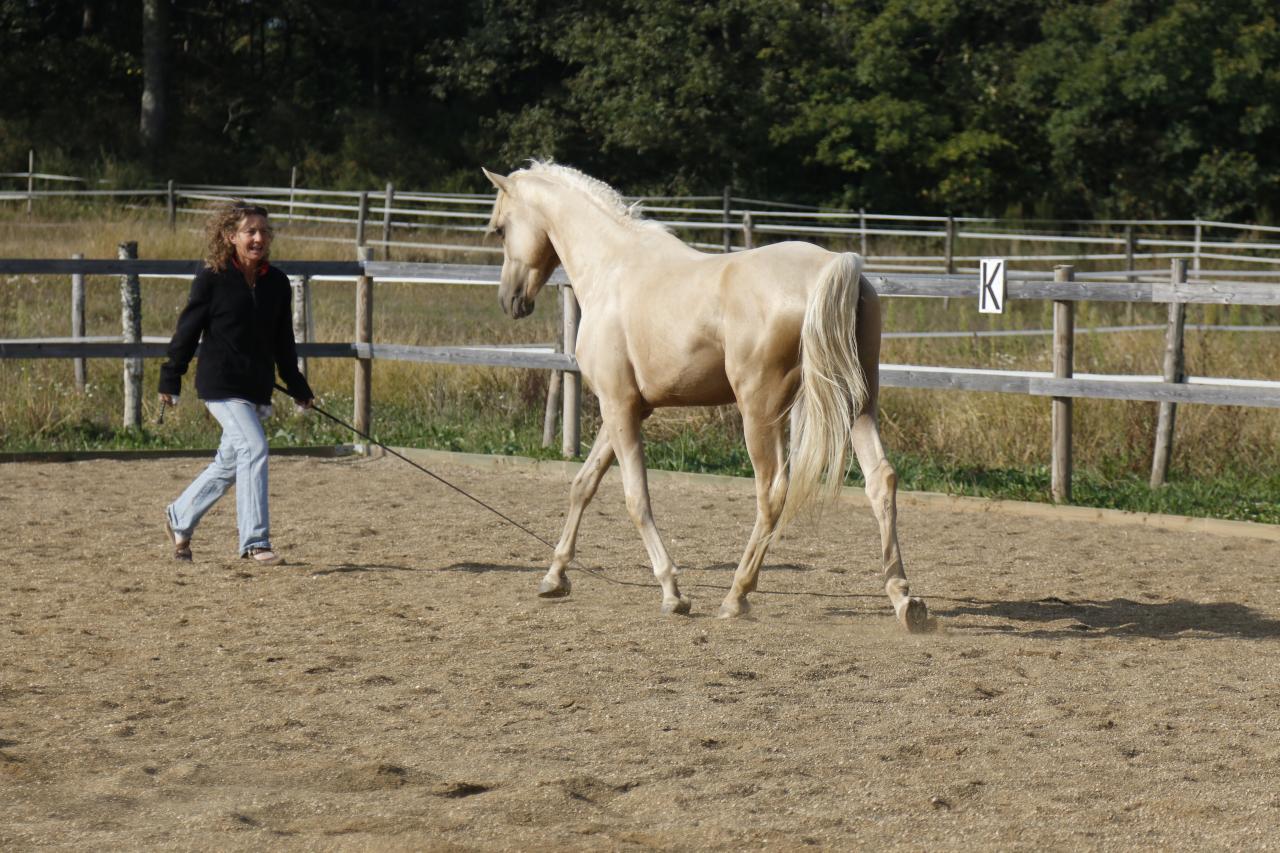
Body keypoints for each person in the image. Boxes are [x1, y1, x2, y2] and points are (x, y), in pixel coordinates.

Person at [158, 200, 314, 565]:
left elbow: (283, 343)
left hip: (255, 387)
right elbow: (187, 330)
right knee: (254, 449)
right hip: (220, 385)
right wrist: (171, 377)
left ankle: (179, 517)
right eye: (251, 231)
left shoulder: (276, 283)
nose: (259, 238)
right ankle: (255, 541)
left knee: (229, 463)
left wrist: (298, 386)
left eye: (264, 231)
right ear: (231, 237)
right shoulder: (212, 277)